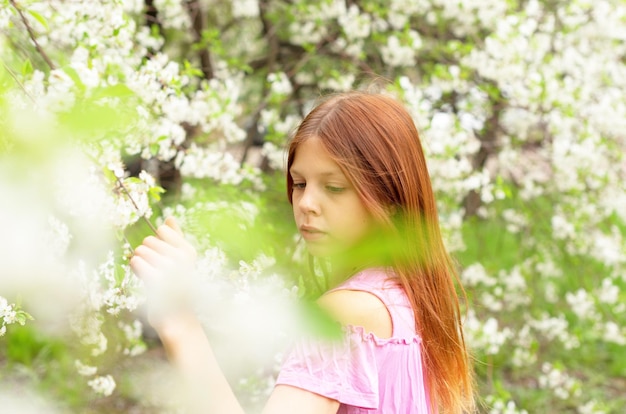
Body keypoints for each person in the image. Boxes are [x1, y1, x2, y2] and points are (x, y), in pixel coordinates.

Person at [130, 91, 475, 413]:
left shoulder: (347, 314)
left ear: (389, 196)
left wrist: (178, 321)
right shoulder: (411, 299)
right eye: (299, 183)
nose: (306, 203)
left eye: (334, 187)